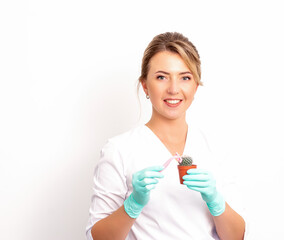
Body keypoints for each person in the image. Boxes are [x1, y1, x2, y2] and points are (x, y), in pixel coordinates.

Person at [86, 32, 247, 239]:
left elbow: (237, 237)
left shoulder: (215, 148)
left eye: (185, 78)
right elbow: (95, 237)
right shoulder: (119, 150)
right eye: (161, 77)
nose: (173, 89)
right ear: (145, 85)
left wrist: (216, 201)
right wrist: (132, 205)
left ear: (196, 86)